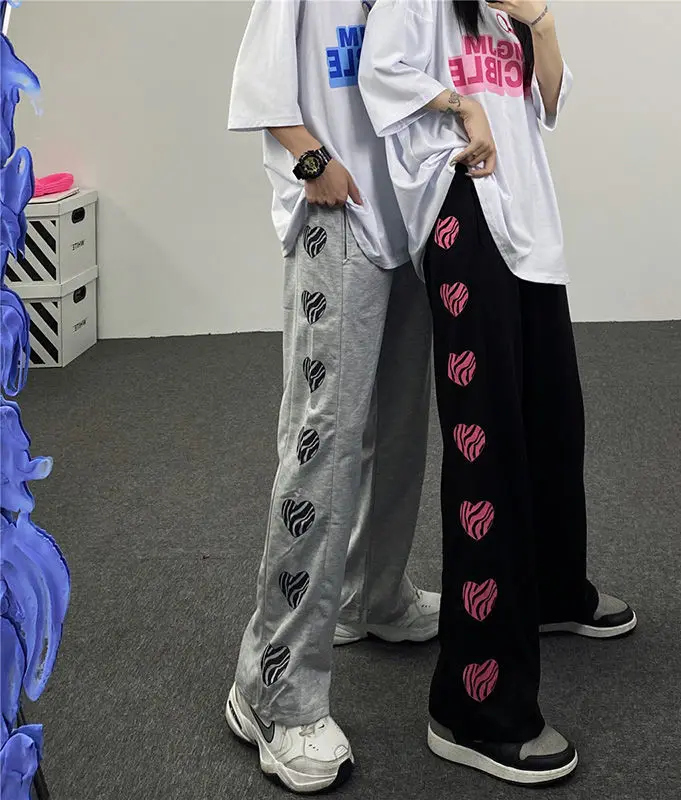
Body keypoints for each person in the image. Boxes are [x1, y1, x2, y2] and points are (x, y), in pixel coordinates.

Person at [359, 0, 637, 786]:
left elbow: (548, 100)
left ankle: (552, 592)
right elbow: (382, 71)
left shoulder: (502, 12)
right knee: (490, 456)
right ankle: (473, 707)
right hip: (463, 210)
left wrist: (540, 20)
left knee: (555, 423)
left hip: (529, 225)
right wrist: (460, 103)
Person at [224, 0, 440, 792]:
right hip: (336, 214)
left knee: (399, 427)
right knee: (323, 445)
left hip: (408, 216)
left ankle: (370, 595)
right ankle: (271, 690)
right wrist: (313, 163)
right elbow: (260, 84)